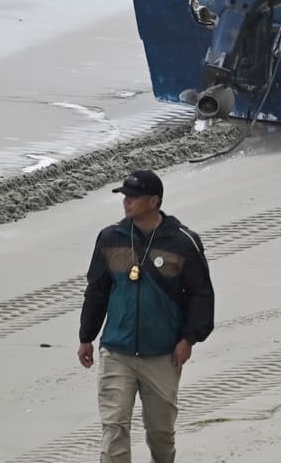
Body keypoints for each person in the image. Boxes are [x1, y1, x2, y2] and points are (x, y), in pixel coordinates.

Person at [78, 169, 215, 463]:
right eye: (124, 196)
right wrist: (86, 337)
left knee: (160, 434)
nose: (126, 202)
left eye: (133, 196)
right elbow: (97, 291)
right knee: (114, 427)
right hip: (117, 350)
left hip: (163, 354)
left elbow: (201, 294)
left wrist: (189, 338)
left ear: (153, 201)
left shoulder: (182, 242)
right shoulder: (110, 237)